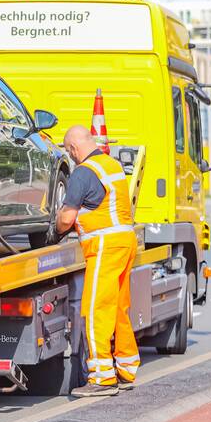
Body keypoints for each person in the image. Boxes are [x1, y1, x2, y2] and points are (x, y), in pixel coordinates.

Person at [54, 125, 140, 397]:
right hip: (125, 241)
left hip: (105, 245)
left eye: (70, 153)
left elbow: (67, 219)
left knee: (95, 310)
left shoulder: (83, 172)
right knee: (117, 309)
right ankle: (125, 369)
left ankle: (102, 379)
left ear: (73, 150)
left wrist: (55, 225)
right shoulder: (111, 165)